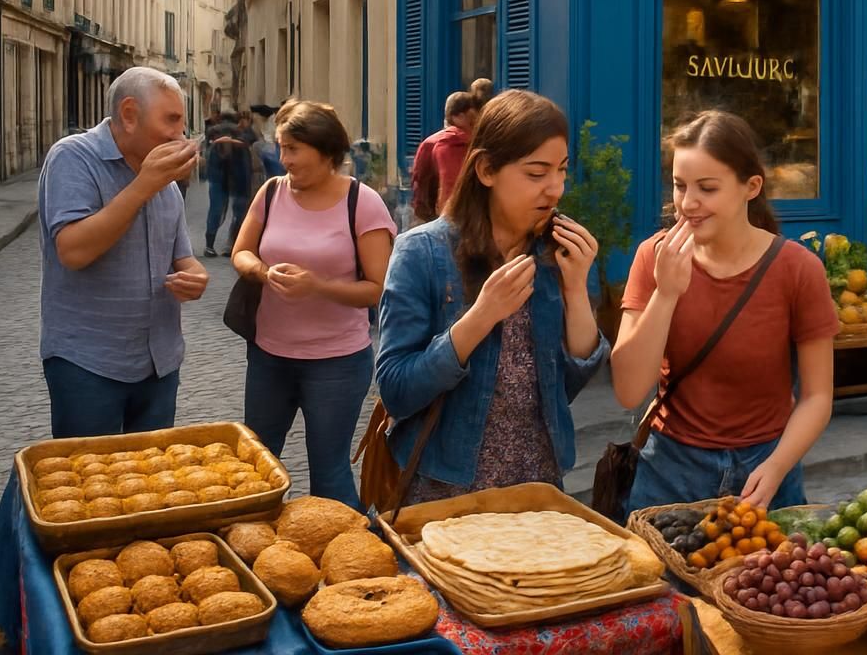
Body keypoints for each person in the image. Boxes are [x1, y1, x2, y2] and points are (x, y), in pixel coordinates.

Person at [377, 90, 607, 501]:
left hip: (539, 483)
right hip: (446, 488)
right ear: (485, 169)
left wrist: (575, 288)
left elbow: (565, 387)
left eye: (562, 171)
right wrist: (481, 316)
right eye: (536, 174)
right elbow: (397, 390)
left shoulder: (556, 252)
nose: (555, 189)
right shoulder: (422, 252)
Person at [613, 111, 838, 514]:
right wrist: (667, 294)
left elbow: (818, 396)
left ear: (751, 187)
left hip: (767, 466)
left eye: (708, 188)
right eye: (680, 186)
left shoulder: (798, 269)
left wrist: (777, 466)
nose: (688, 203)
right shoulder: (654, 257)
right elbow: (629, 390)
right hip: (670, 471)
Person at [230, 100, 395, 509]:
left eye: (293, 150)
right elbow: (241, 252)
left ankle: (350, 560)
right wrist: (263, 273)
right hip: (269, 355)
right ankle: (257, 556)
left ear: (325, 152)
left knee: (330, 472)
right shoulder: (271, 192)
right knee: (257, 465)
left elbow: (379, 287)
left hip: (336, 362)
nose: (283, 159)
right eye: (282, 148)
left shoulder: (363, 201)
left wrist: (317, 286)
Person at [37, 67, 209, 438]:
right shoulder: (73, 157)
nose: (180, 133)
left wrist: (196, 276)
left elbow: (182, 256)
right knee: (88, 484)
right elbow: (73, 251)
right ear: (130, 114)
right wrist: (144, 185)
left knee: (149, 487)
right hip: (88, 364)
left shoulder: (165, 180)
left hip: (159, 364)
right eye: (172, 120)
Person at [409, 91, 480, 224]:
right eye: (472, 121)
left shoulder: (429, 143)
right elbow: (450, 185)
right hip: (455, 219)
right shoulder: (453, 143)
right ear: (458, 117)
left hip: (432, 216)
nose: (476, 125)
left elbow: (418, 182)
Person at [203, 108, 254, 256]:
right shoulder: (242, 132)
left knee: (216, 210)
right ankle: (232, 245)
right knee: (239, 211)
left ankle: (209, 246)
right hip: (239, 177)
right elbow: (251, 141)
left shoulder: (213, 131)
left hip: (218, 176)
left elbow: (209, 151)